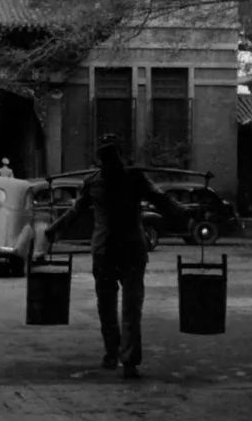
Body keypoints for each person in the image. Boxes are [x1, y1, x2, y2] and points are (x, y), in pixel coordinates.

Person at [44, 133, 182, 380]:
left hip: (112, 250)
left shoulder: (108, 180)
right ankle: (122, 357)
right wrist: (181, 213)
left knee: (116, 307)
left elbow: (76, 210)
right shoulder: (128, 179)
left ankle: (118, 355)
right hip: (121, 251)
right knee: (124, 307)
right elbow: (160, 199)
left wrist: (55, 228)